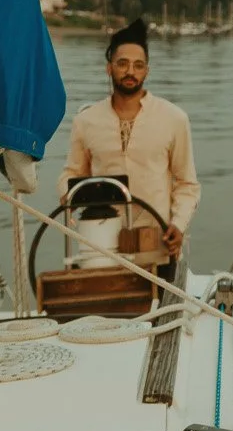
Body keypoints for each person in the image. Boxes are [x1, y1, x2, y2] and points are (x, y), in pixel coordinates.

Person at [59, 18, 201, 259]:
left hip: (157, 241)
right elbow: (72, 174)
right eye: (122, 64)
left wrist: (178, 224)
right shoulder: (86, 121)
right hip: (102, 243)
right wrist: (70, 196)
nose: (130, 72)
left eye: (138, 65)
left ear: (147, 71)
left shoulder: (174, 118)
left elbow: (187, 184)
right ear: (109, 68)